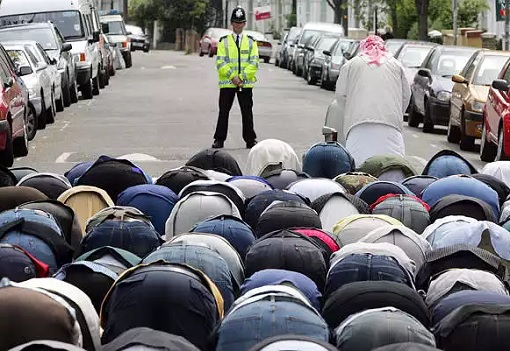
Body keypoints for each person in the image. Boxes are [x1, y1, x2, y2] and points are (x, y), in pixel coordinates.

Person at [335, 35, 410, 166]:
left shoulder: (351, 64)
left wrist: (351, 111)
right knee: (393, 167)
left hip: (357, 125)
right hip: (391, 126)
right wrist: (396, 113)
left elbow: (341, 96)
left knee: (358, 168)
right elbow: (406, 96)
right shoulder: (396, 65)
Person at [212, 6, 259, 149]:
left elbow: (254, 62)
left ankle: (250, 139)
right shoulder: (224, 41)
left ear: (244, 24)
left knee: (247, 112)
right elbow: (220, 61)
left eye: (241, 22)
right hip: (228, 83)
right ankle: (219, 139)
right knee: (224, 112)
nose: (238, 25)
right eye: (235, 22)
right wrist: (233, 77)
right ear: (231, 24)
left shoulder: (251, 41)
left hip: (245, 83)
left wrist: (242, 78)